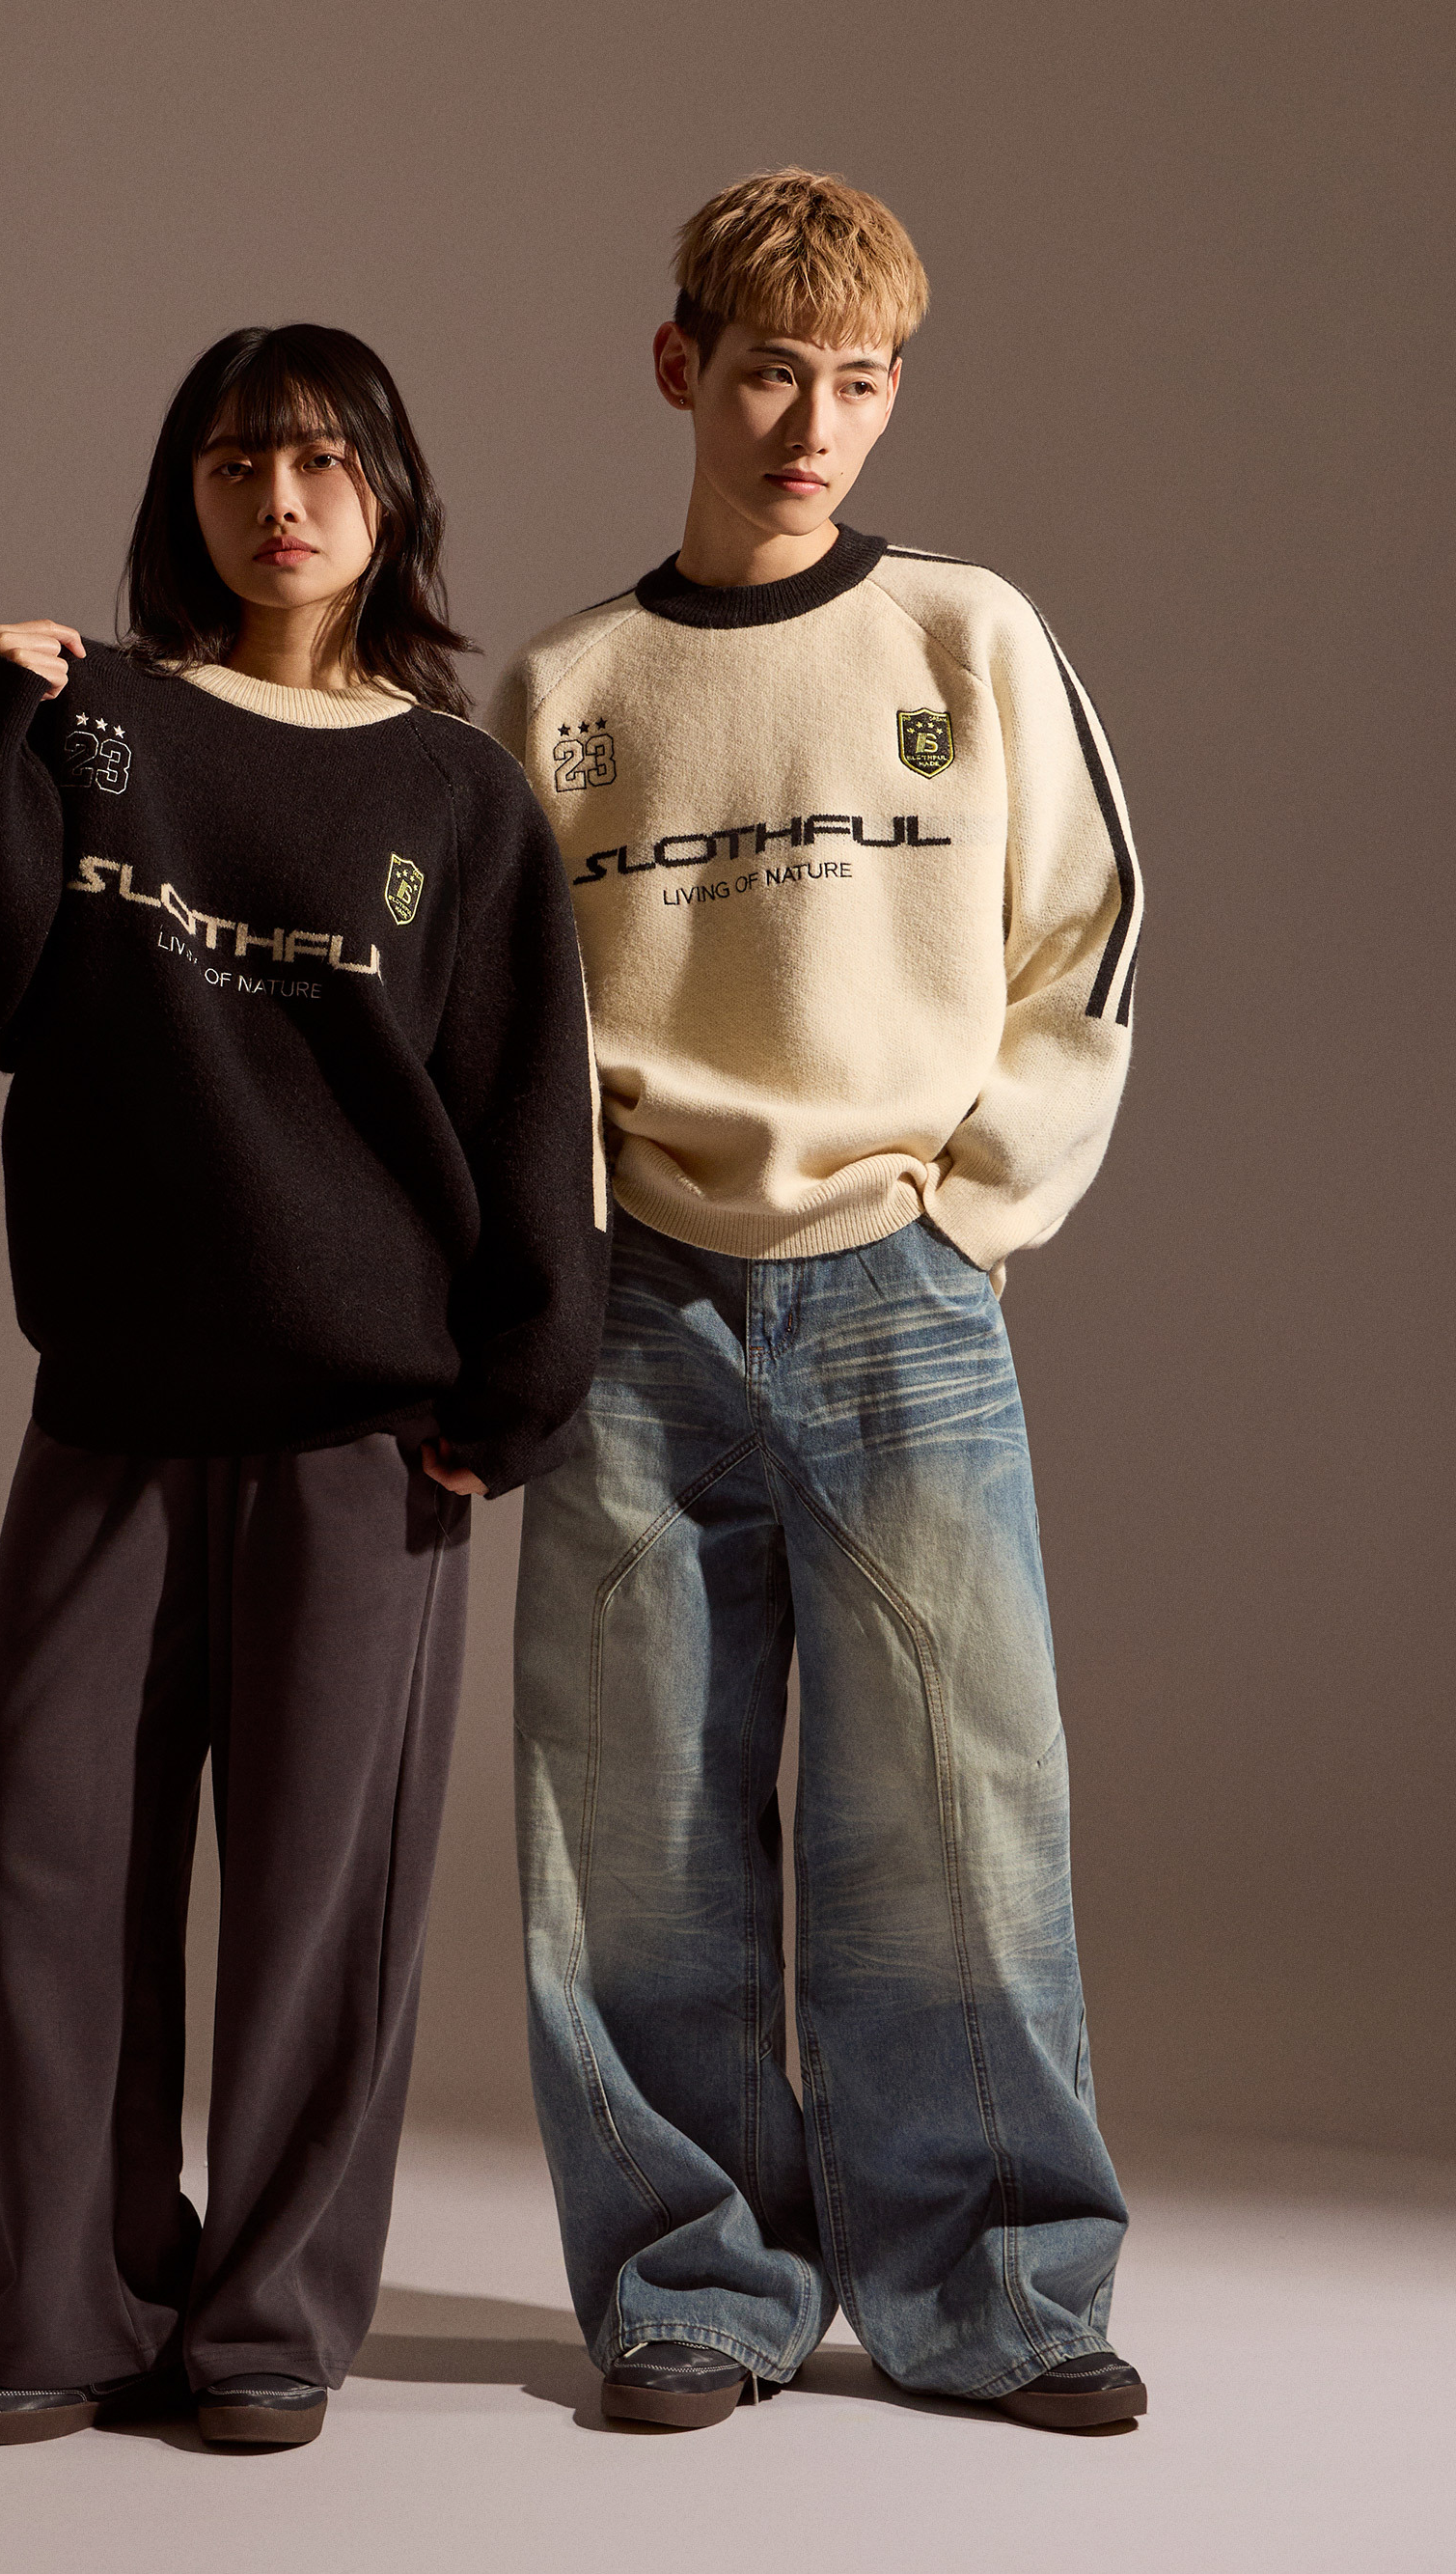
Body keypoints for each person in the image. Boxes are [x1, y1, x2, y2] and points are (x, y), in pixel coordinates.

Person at [0, 322, 609, 2450]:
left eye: (320, 463)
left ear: (390, 497)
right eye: (230, 463)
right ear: (181, 494)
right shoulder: (97, 723)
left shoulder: (456, 792)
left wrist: (520, 1385)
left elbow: (525, 1104)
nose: (276, 502)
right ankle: (69, 2306)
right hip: (112, 1400)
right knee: (52, 1864)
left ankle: (267, 2318)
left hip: (366, 1429)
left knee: (320, 1893)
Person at [492, 169, 1148, 2436]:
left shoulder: (967, 639)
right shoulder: (565, 692)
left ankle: (1004, 2296)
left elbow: (1088, 930)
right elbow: (498, 1036)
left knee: (958, 1815)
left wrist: (976, 1204)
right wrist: (550, 1272)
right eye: (770, 372)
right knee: (631, 1832)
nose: (811, 425)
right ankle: (692, 2285)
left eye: (858, 382)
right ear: (678, 364)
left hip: (900, 1289)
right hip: (633, 1310)